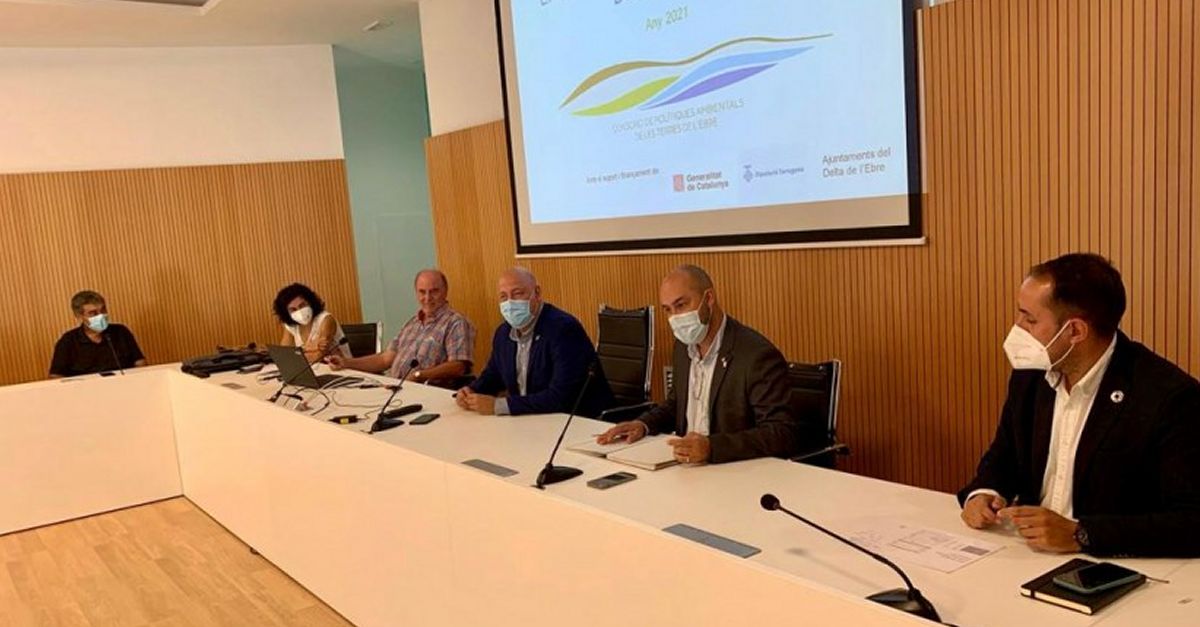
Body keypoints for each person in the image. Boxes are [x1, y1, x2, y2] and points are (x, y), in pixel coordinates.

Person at [959, 253, 1200, 557]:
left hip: (1114, 566)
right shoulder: (1031, 374)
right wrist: (983, 493)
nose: (1017, 328)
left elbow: (1192, 521)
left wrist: (1081, 534)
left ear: (1075, 331)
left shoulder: (1169, 397)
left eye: (1030, 319)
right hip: (1026, 554)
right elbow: (1005, 454)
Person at [597, 265, 818, 464]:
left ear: (709, 298)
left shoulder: (756, 355)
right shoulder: (683, 347)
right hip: (685, 467)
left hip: (734, 470)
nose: (675, 317)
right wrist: (643, 425)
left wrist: (712, 448)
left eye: (681, 305)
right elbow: (676, 404)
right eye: (668, 310)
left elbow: (780, 433)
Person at [456, 267, 613, 417]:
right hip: (531, 419)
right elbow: (493, 375)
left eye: (517, 293)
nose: (510, 303)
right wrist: (471, 391)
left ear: (537, 293)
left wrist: (499, 406)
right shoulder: (503, 333)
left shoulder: (563, 329)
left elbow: (561, 397)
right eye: (503, 297)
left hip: (578, 420)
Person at [328, 269, 476, 384]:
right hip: (396, 389)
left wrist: (419, 375)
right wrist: (346, 363)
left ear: (445, 291)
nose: (427, 298)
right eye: (422, 292)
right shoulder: (412, 323)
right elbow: (384, 360)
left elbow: (458, 366)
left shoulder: (456, 322)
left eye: (434, 291)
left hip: (428, 392)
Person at [49, 290, 147, 378]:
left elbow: (140, 362)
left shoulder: (121, 332)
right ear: (79, 316)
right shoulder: (67, 341)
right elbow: (55, 376)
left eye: (103, 310)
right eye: (93, 313)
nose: (100, 316)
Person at [273, 283, 352, 361]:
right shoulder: (291, 326)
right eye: (293, 309)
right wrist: (311, 347)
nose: (299, 312)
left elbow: (318, 355)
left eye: (302, 305)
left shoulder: (326, 319)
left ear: (311, 302)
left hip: (340, 366)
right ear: (286, 313)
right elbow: (284, 354)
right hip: (311, 367)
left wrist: (299, 353)